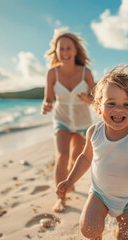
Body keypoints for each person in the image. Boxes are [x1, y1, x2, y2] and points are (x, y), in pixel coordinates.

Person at [57, 66, 128, 239]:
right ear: (98, 106)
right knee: (89, 229)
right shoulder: (94, 132)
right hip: (100, 194)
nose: (119, 109)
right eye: (111, 103)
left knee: (125, 237)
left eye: (127, 104)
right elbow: (85, 158)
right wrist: (70, 179)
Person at [41, 32, 96, 213]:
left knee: (75, 161)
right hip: (61, 119)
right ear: (56, 52)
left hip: (82, 122)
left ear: (75, 51)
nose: (65, 52)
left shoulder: (85, 73)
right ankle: (60, 198)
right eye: (61, 48)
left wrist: (86, 98)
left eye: (68, 48)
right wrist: (46, 105)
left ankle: (69, 182)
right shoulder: (52, 73)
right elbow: (48, 98)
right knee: (62, 156)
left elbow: (96, 99)